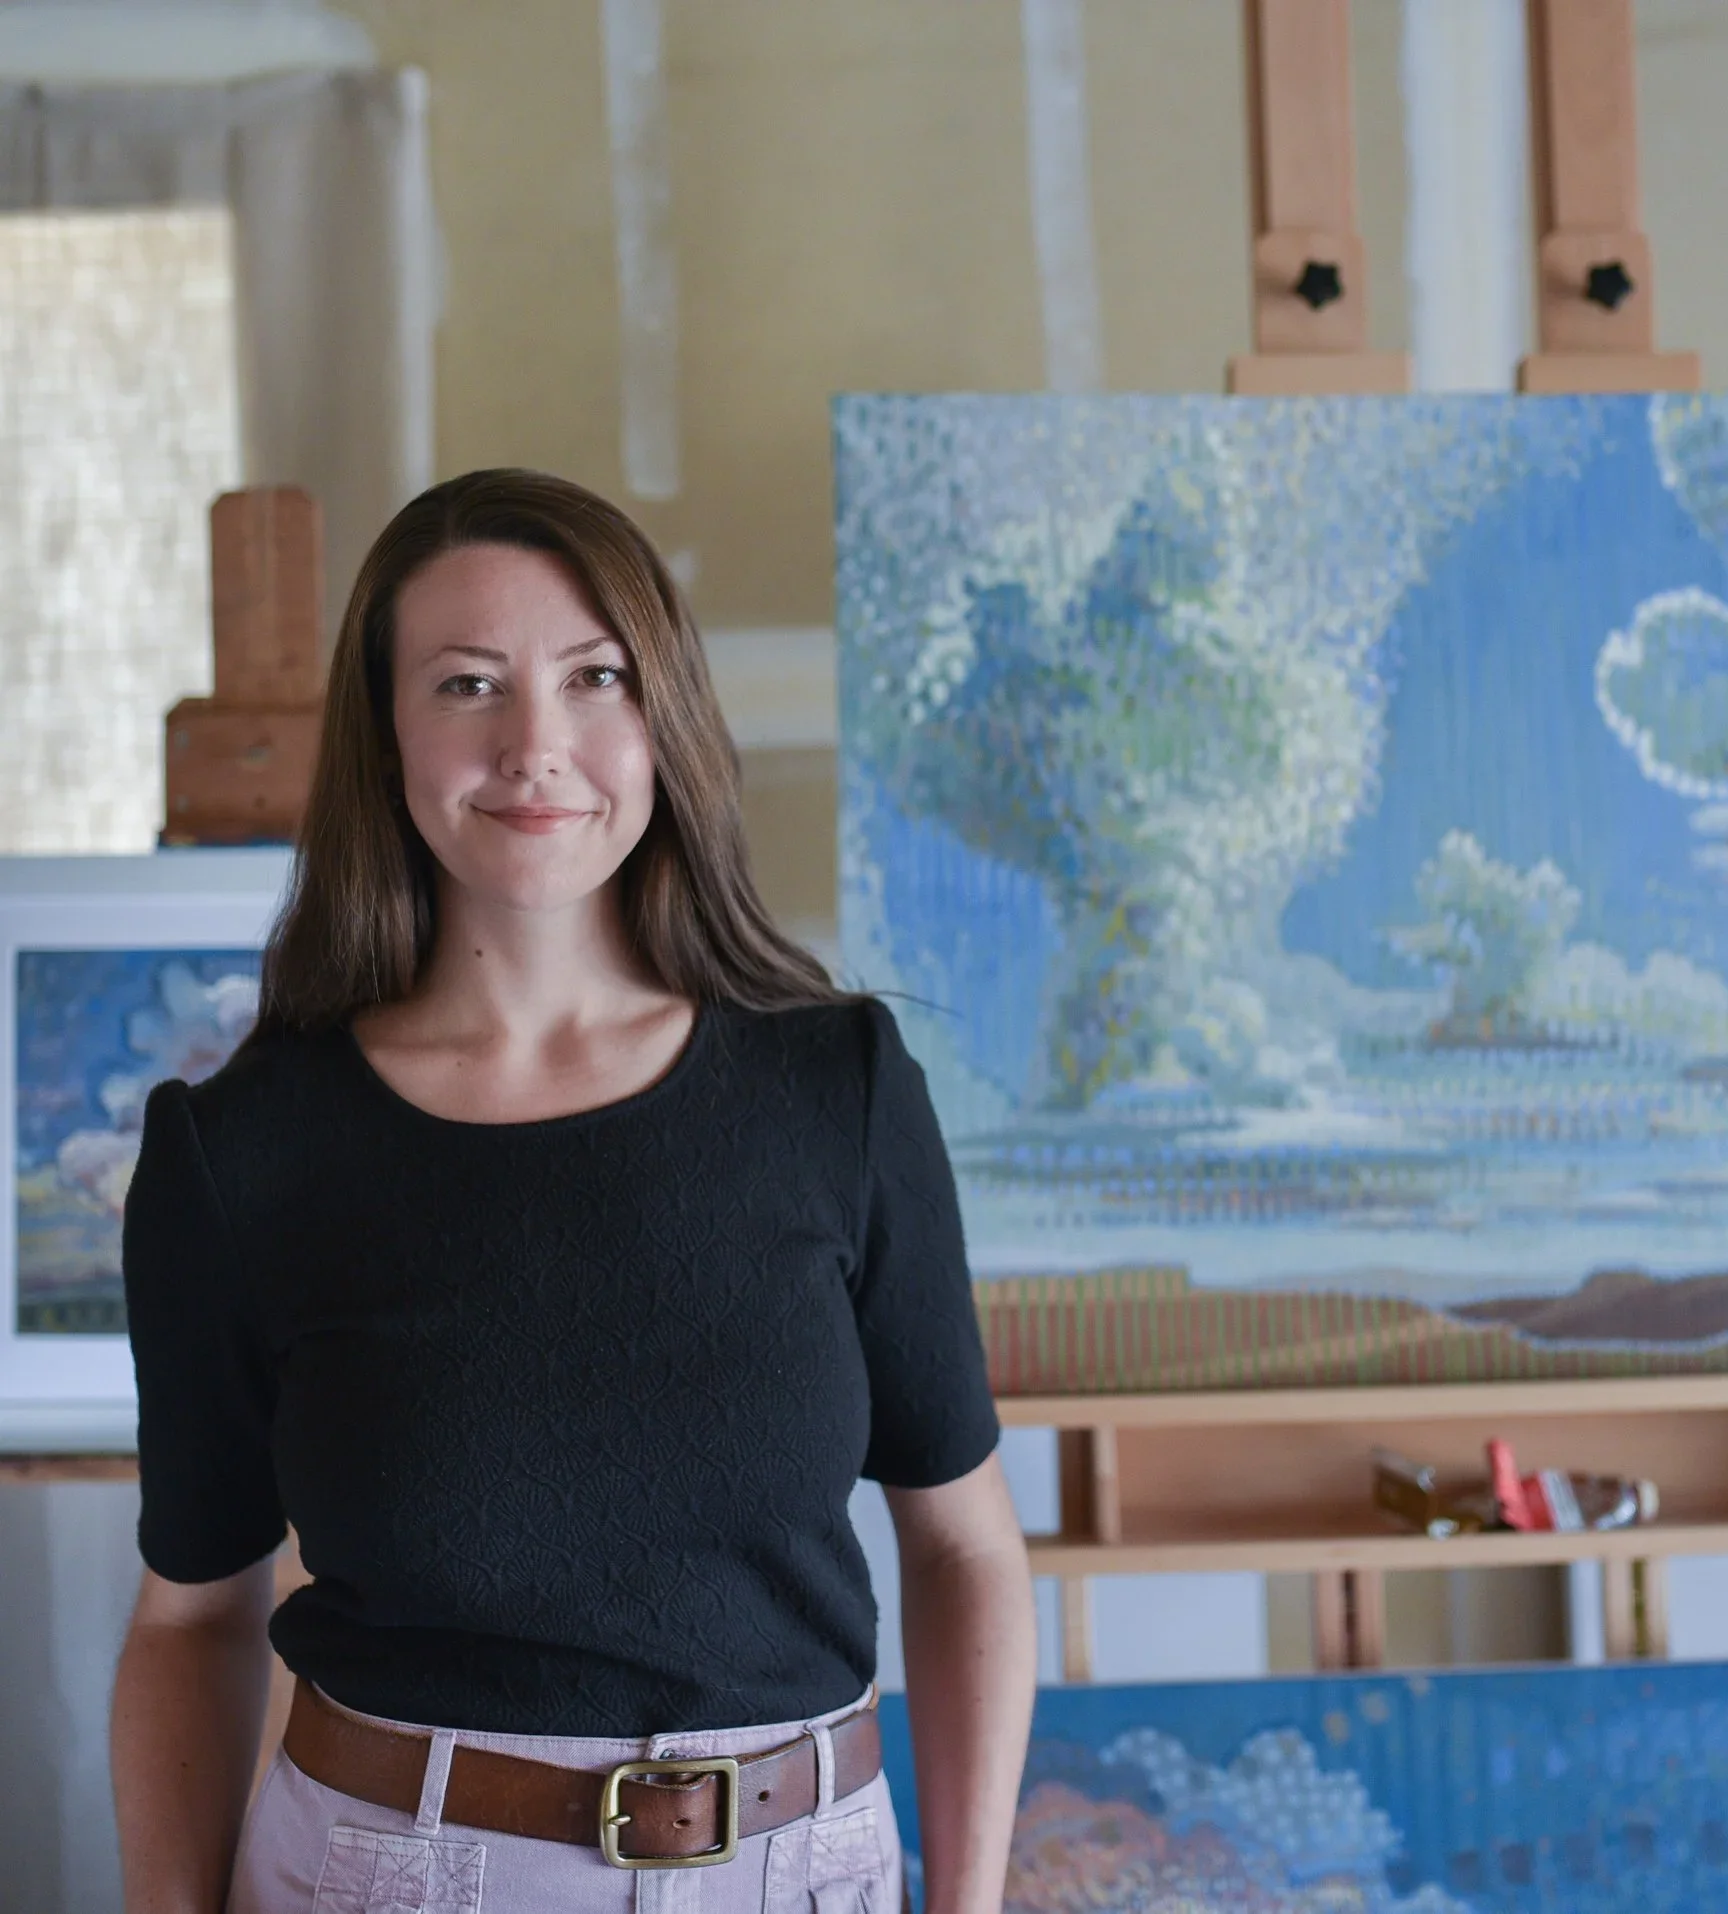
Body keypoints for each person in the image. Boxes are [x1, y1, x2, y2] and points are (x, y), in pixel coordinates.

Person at [108, 468, 1035, 1914]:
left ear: (659, 714)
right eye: (468, 683)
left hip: (801, 1873)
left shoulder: (838, 1093)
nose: (537, 745)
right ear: (387, 733)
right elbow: (191, 1622)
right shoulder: (239, 1156)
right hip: (387, 1873)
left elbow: (966, 1543)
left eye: (594, 676)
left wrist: (969, 1901)